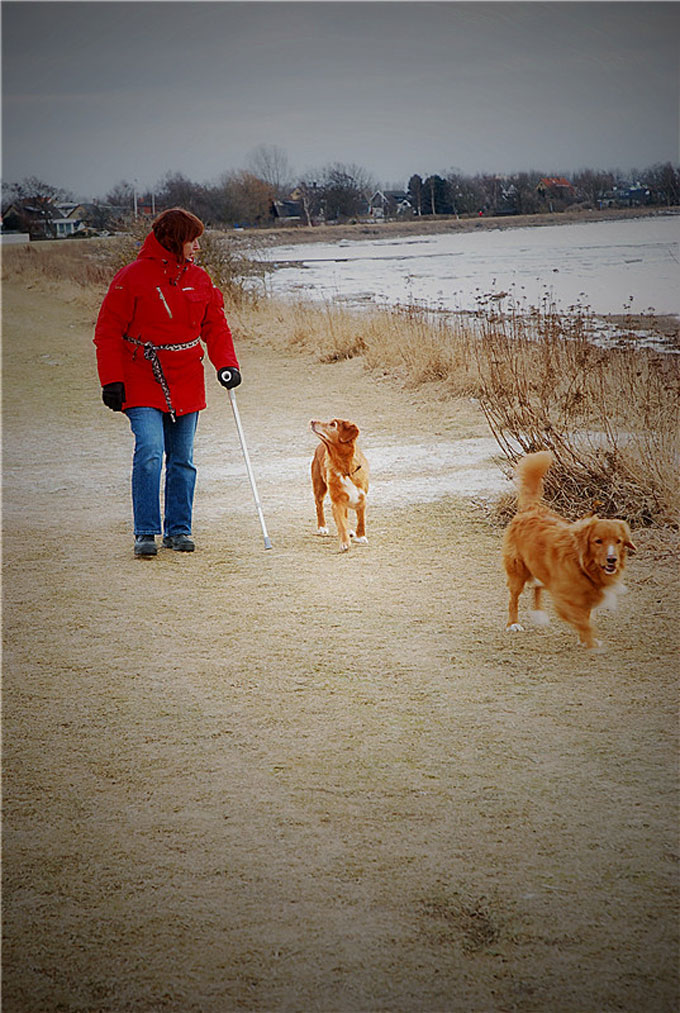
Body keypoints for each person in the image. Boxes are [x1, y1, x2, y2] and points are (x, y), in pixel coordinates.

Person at [94, 207, 242, 557]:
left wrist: (227, 365)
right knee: (149, 451)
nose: (197, 248)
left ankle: (179, 530)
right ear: (175, 240)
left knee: (183, 459)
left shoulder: (200, 279)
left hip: (187, 378)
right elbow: (108, 331)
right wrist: (111, 380)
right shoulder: (130, 277)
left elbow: (215, 326)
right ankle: (146, 532)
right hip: (141, 377)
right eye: (192, 240)